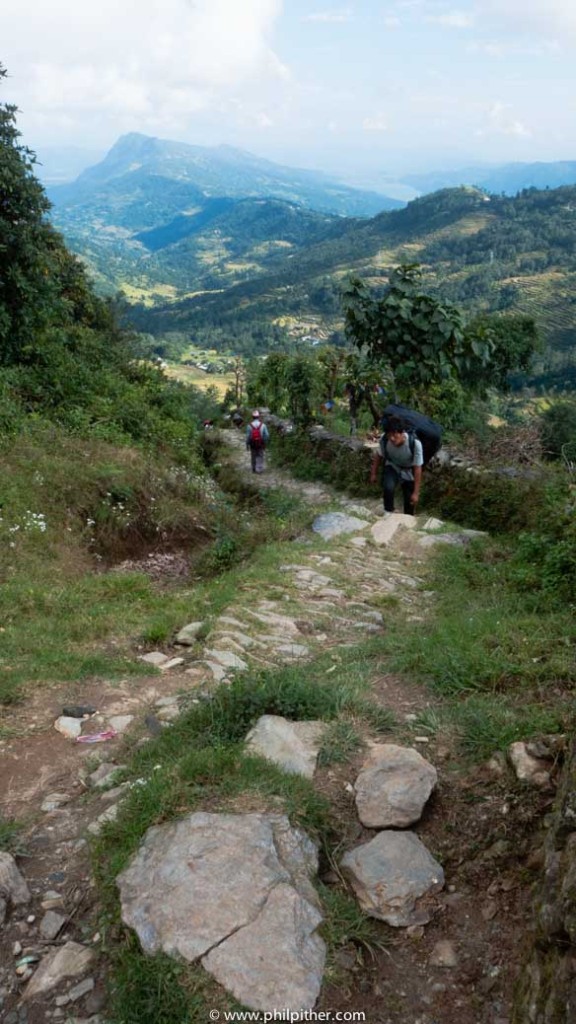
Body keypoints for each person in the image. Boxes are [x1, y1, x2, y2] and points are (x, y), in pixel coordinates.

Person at [370, 415, 423, 515]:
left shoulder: (415, 444)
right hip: (392, 465)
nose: (392, 439)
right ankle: (388, 511)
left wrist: (416, 493)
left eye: (395, 435)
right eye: (389, 435)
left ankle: (408, 518)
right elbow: (378, 456)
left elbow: (417, 468)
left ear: (402, 432)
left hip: (408, 470)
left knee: (410, 501)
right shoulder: (384, 440)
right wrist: (373, 473)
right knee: (388, 487)